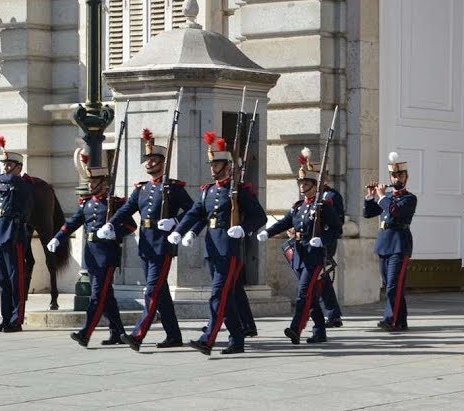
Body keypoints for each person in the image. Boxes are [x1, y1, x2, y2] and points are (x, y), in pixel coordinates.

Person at [168, 132, 265, 356]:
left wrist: (243, 228)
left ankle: (207, 339)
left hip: (229, 251)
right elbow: (195, 213)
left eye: (217, 163)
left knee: (217, 295)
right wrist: (182, 231)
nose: (213, 168)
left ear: (228, 165)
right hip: (212, 249)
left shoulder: (239, 190)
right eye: (211, 164)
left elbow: (258, 217)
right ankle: (237, 339)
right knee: (227, 297)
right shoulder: (208, 191)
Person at [103, 128, 194, 352]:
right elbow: (126, 209)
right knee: (160, 292)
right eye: (147, 160)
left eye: (153, 159)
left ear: (163, 162)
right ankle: (174, 335)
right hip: (146, 245)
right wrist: (110, 223)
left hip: (163, 245)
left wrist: (175, 222)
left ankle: (138, 334)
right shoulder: (142, 189)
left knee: (151, 291)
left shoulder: (173, 188)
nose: (148, 163)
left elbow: (193, 211)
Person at [257, 150, 342, 344]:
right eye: (301, 183)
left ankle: (296, 328)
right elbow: (285, 223)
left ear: (314, 186)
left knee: (303, 292)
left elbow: (337, 229)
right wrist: (267, 232)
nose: (302, 186)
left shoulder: (323, 206)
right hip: (300, 255)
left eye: (305, 183)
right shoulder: (298, 206)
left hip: (315, 257)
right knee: (310, 296)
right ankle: (319, 330)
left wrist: (323, 239)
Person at [50, 162, 134, 348]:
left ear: (103, 183)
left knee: (97, 296)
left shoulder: (115, 203)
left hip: (107, 257)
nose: (89, 185)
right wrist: (58, 238)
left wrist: (115, 233)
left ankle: (85, 333)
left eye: (94, 181)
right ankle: (118, 333)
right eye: (89, 181)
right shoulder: (87, 203)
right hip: (91, 257)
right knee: (107, 297)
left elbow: (130, 226)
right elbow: (71, 223)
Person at [363, 152, 417, 332]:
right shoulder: (387, 197)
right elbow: (368, 213)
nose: (396, 178)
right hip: (385, 243)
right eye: (394, 175)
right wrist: (370, 196)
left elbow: (395, 211)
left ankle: (390, 319)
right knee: (390, 285)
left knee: (394, 284)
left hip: (399, 244)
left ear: (406, 177)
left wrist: (381, 196)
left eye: (400, 175)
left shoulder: (409, 198)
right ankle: (401, 320)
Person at [0, 145, 32, 332]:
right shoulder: (3, 186)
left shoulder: (21, 183)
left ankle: (16, 319)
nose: (5, 168)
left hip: (14, 236)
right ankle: (6, 319)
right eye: (4, 164)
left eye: (9, 165)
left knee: (16, 280)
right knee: (2, 280)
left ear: (19, 167)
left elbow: (11, 179)